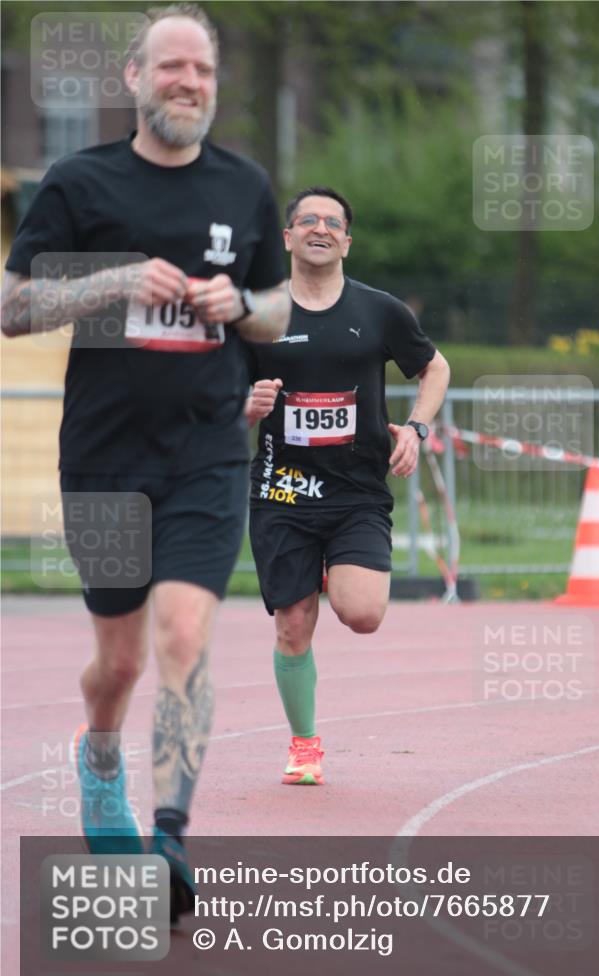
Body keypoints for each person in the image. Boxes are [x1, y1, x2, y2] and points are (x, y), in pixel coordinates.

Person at [1, 3, 289, 922]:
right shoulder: (80, 183)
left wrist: (235, 302)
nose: (187, 84)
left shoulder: (244, 187)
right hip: (104, 456)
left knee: (183, 639)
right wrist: (116, 281)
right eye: (170, 68)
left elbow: (281, 311)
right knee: (119, 662)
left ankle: (168, 833)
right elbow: (13, 307)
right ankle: (98, 759)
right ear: (134, 79)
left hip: (207, 452)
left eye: (201, 70)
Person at [245, 186, 449, 786]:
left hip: (357, 490)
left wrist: (415, 428)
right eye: (307, 219)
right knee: (292, 624)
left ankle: (336, 567)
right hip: (282, 489)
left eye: (332, 222)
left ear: (347, 242)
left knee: (362, 614)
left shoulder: (379, 312)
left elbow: (434, 367)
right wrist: (244, 405)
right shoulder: (258, 316)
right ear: (288, 238)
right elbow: (213, 397)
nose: (320, 228)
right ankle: (305, 745)